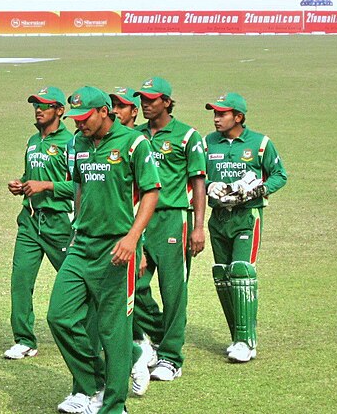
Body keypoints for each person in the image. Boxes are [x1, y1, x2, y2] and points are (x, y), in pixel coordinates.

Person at [47, 87, 160, 414]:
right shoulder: (77, 144)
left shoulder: (134, 144)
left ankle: (113, 406)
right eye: (75, 119)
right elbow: (80, 185)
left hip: (116, 249)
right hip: (81, 244)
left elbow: (151, 193)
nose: (79, 125)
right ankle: (93, 383)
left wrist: (132, 239)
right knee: (59, 316)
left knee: (113, 331)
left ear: (103, 112)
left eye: (84, 118)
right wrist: (77, 223)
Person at [203, 93, 287, 364]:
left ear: (238, 117)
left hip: (247, 216)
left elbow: (279, 175)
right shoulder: (207, 143)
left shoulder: (260, 143)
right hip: (218, 217)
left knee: (241, 271)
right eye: (214, 114)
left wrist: (258, 189)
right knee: (223, 277)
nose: (216, 118)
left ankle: (246, 341)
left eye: (222, 114)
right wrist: (208, 187)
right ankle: (236, 337)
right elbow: (197, 175)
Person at [133, 78, 206, 383]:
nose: (145, 105)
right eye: (142, 100)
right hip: (139, 220)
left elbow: (199, 182)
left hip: (174, 217)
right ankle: (163, 334)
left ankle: (172, 358)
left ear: (166, 101)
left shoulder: (187, 136)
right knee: (131, 284)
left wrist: (199, 227)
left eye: (151, 100)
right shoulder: (134, 137)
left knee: (173, 291)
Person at [4, 87, 74, 360]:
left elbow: (80, 185)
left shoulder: (72, 142)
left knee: (75, 281)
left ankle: (93, 331)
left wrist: (46, 185)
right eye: (35, 104)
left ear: (60, 111)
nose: (38, 109)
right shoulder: (33, 140)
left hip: (61, 223)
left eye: (45, 105)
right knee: (20, 279)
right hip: (31, 222)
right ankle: (24, 339)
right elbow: (30, 175)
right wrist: (21, 185)